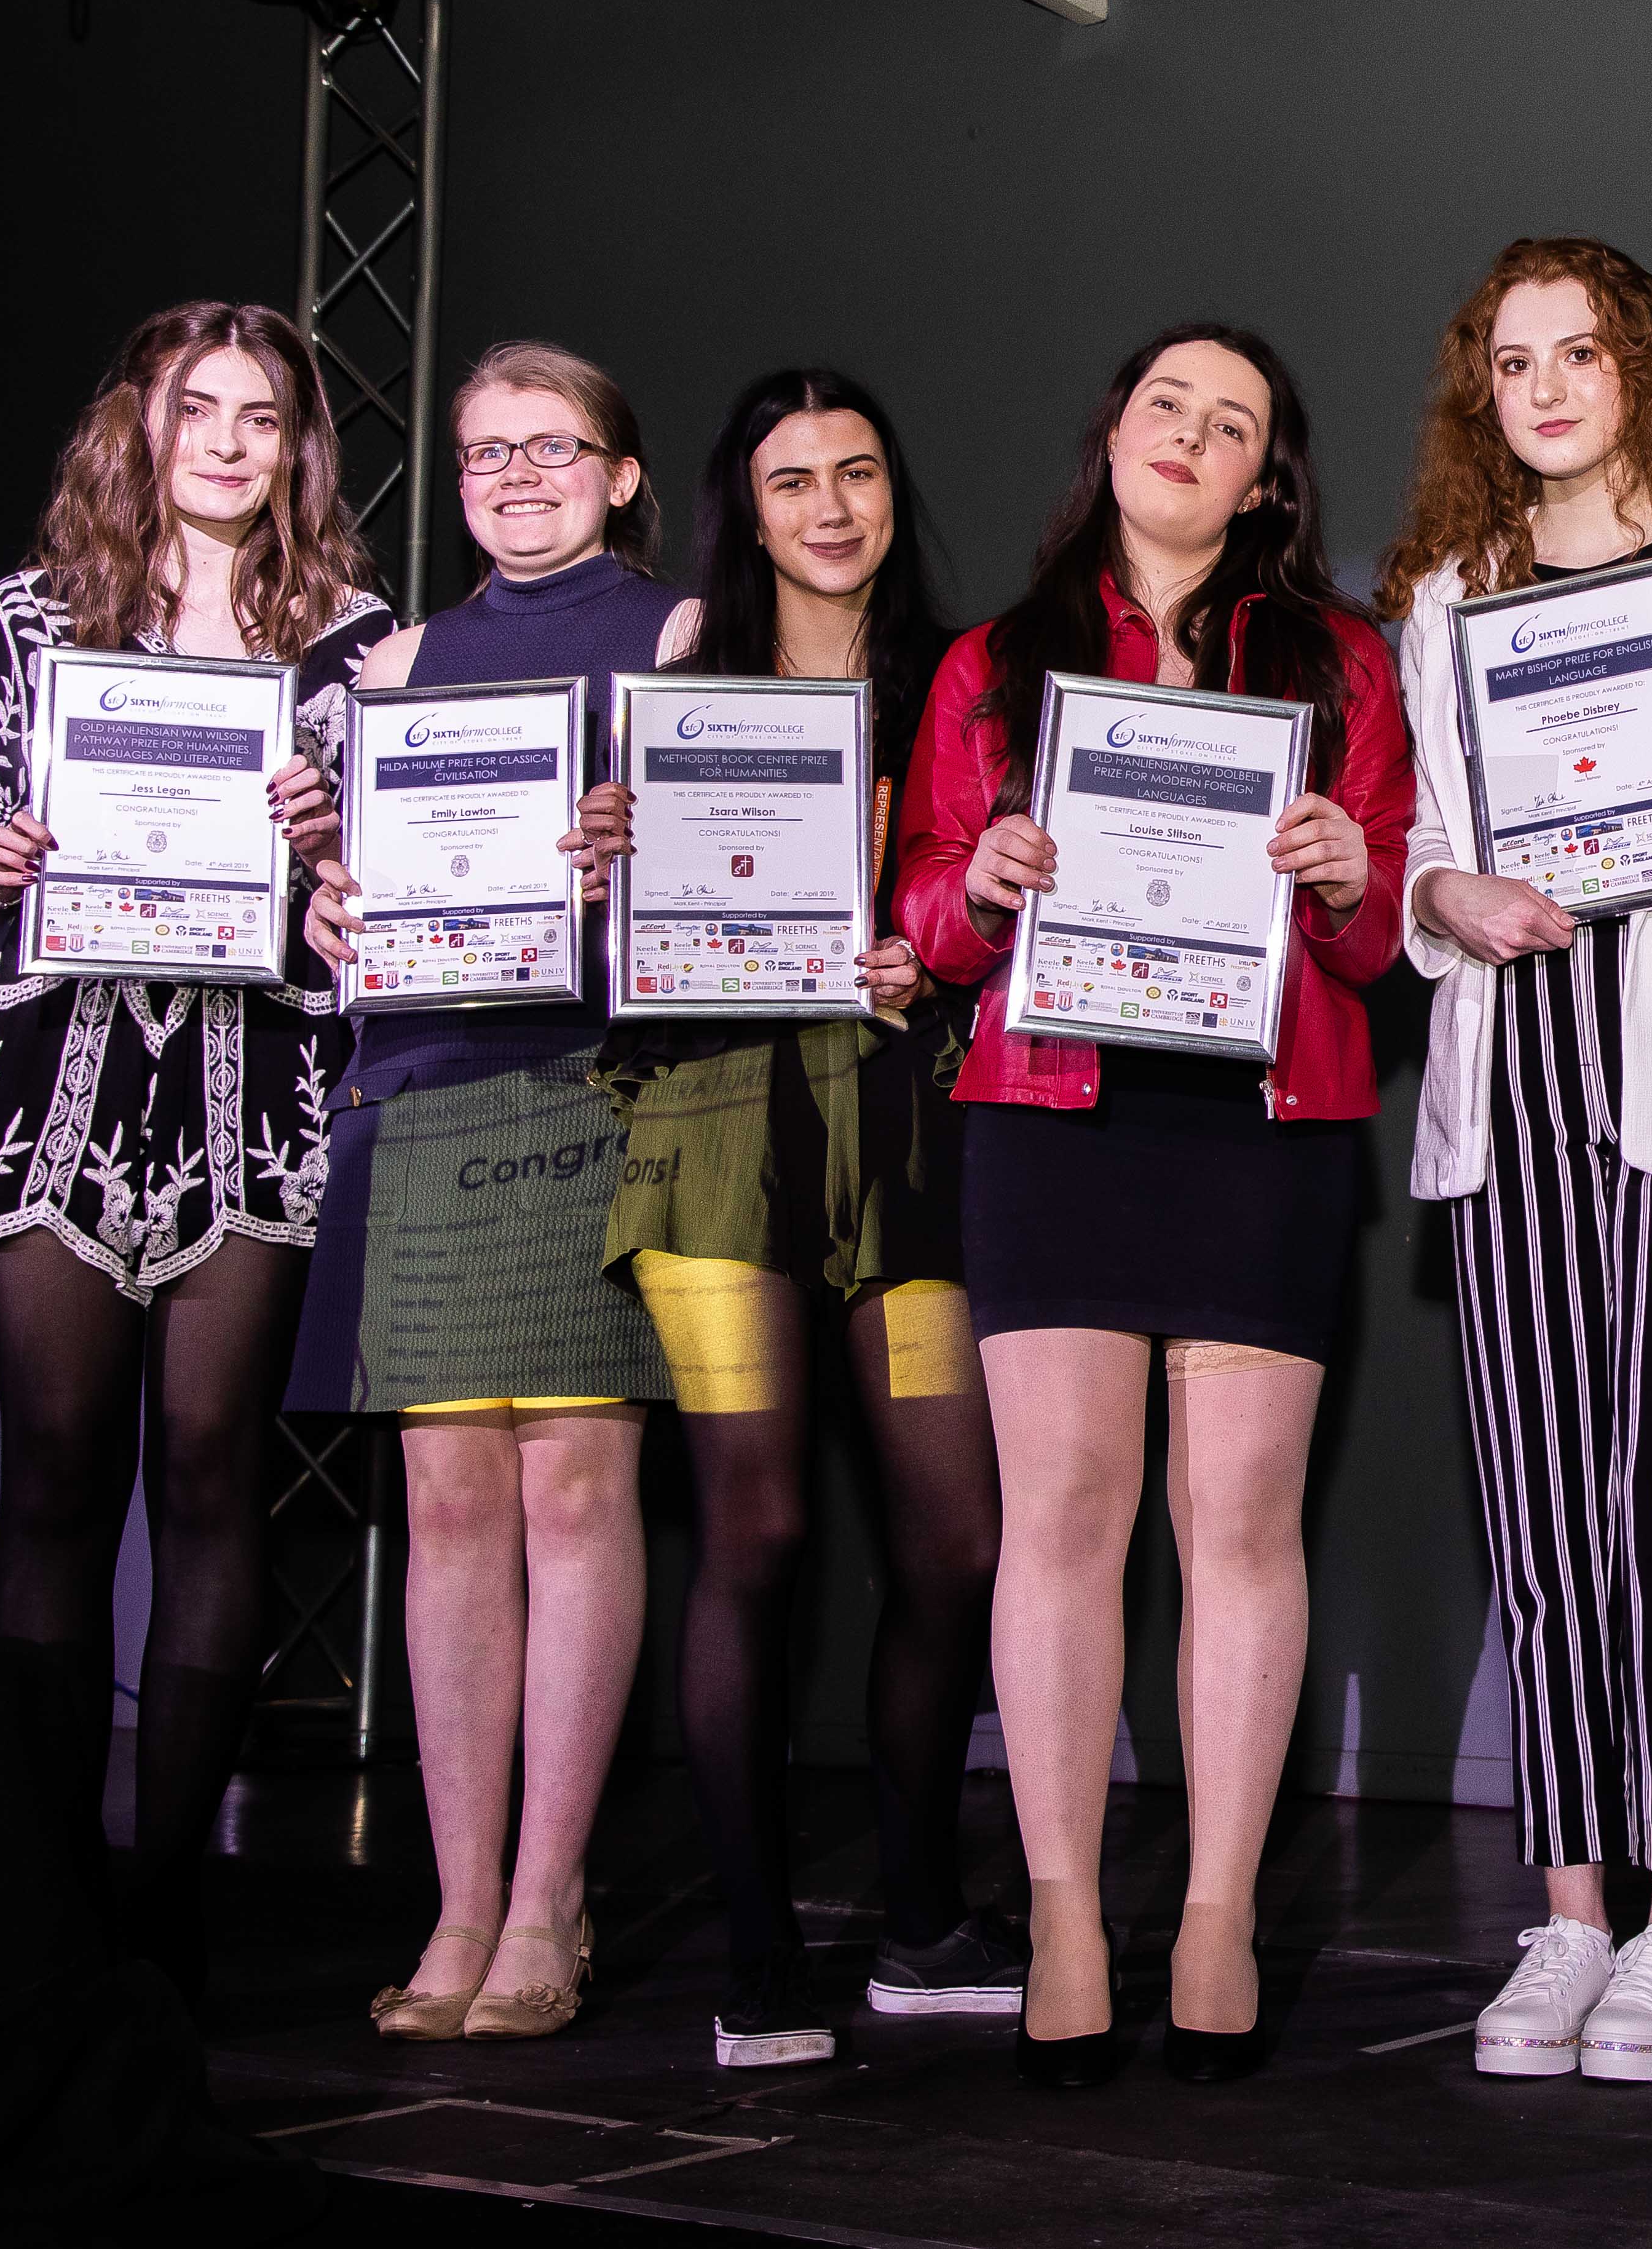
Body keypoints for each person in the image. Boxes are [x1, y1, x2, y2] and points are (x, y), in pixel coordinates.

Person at [895, 325, 1411, 2087]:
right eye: (1164, 405)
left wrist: (1346, 874)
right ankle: (1060, 1909)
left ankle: (1214, 1911)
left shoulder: (1341, 659)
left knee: (1240, 1524)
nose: (1189, 435)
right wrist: (983, 882)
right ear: (1113, 433)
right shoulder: (996, 659)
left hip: (1264, 1118)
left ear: (1268, 483)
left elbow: (1383, 931)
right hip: (1056, 1112)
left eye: (1232, 424)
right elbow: (925, 913)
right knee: (1061, 1516)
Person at [1381, 239, 1652, 2084]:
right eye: (1515, 363)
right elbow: (1425, 840)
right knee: (1545, 1515)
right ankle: (1569, 1909)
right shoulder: (1451, 597)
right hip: (1515, 1090)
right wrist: (1449, 897)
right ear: (1483, 393)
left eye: (1581, 352)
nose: (1549, 388)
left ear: (1642, 366)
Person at [0, 300, 387, 2002]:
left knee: (211, 1472)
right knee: (54, 1474)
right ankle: (42, 1890)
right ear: (142, 420)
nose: (231, 443)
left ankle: (168, 1900)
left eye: (264, 416)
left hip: (251, 1088)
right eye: (201, 409)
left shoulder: (356, 644)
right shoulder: (32, 616)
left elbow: (383, 910)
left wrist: (332, 850)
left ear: (297, 446)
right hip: (53, 1075)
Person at [589, 371, 1017, 2050]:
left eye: (858, 472)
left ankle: (918, 1918)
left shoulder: (965, 686)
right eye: (792, 481)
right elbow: (610, 944)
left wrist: (940, 946)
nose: (831, 508)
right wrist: (608, 861)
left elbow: (991, 907)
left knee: (954, 1541)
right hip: (714, 1131)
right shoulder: (673, 700)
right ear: (744, 510)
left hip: (907, 1131)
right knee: (754, 1532)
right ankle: (759, 1954)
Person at [296, 343, 682, 2052]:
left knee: (579, 1491)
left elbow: (740, 859)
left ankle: (547, 1898)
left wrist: (642, 838)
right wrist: (329, 894)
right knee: (448, 1503)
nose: (516, 476)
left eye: (551, 446)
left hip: (599, 1086)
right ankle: (459, 1901)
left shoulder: (679, 633)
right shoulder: (396, 660)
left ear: (619, 473)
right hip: (429, 1079)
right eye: (482, 453)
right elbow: (360, 883)